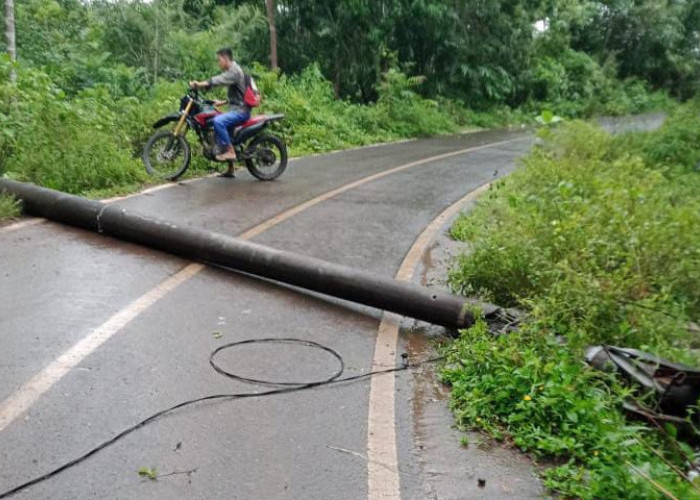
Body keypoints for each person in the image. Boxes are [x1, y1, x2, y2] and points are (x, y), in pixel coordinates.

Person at [189, 48, 250, 175]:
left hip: (241, 111)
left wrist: (200, 84)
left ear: (225, 58)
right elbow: (238, 94)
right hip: (237, 108)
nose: (218, 63)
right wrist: (222, 102)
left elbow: (219, 80)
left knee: (218, 121)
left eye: (219, 60)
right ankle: (230, 169)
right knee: (224, 129)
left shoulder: (234, 71)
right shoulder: (233, 70)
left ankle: (230, 151)